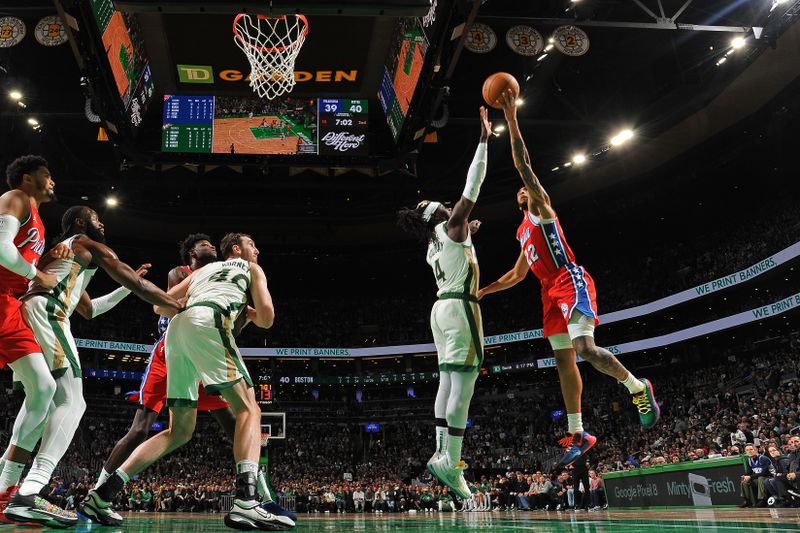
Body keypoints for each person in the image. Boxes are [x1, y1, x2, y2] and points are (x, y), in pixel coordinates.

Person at [478, 91, 660, 467]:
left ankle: (637, 387)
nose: (526, 187)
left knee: (584, 350)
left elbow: (523, 164)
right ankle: (579, 432)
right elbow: (516, 274)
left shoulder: (543, 210)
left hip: (569, 280)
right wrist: (482, 291)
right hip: (548, 292)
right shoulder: (522, 232)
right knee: (564, 361)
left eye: (528, 185)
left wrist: (511, 118)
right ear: (518, 202)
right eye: (522, 190)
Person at [80, 233, 294, 531]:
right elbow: (268, 319)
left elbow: (160, 307)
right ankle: (247, 501)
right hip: (209, 323)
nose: (256, 249)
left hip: (176, 334)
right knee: (249, 410)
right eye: (252, 245)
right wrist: (244, 311)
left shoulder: (203, 271)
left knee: (178, 431)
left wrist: (196, 311)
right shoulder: (252, 269)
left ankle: (103, 494)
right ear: (237, 249)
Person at [3, 206, 183, 527]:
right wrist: (177, 305)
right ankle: (30, 491)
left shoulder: (68, 261)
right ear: (79, 222)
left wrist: (127, 287)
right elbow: (138, 285)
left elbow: (90, 310)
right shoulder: (87, 243)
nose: (103, 223)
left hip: (27, 315)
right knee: (73, 401)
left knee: (40, 403)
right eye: (96, 217)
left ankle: (7, 489)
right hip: (48, 313)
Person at [397, 107, 491, 501]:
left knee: (447, 381)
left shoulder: (438, 239)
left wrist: (466, 231)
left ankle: (441, 452)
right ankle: (450, 460)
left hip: (441, 310)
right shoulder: (451, 225)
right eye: (440, 204)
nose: (446, 203)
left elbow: (456, 228)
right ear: (437, 214)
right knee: (464, 385)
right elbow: (472, 188)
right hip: (460, 308)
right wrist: (484, 141)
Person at [0, 155, 70, 525]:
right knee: (44, 389)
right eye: (47, 175)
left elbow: (22, 258)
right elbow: (1, 250)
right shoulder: (15, 197)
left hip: (9, 308)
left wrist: (46, 258)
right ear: (28, 179)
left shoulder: (38, 220)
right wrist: (36, 273)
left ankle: (4, 488)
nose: (53, 181)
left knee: (43, 388)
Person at [739, 443, 775, 507]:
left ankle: (762, 500)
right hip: (759, 479)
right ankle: (747, 501)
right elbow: (749, 472)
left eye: (751, 449)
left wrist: (750, 477)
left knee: (761, 478)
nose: (749, 451)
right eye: (747, 450)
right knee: (744, 481)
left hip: (770, 478)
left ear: (756, 450)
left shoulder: (763, 458)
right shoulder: (749, 460)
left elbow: (765, 473)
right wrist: (745, 476)